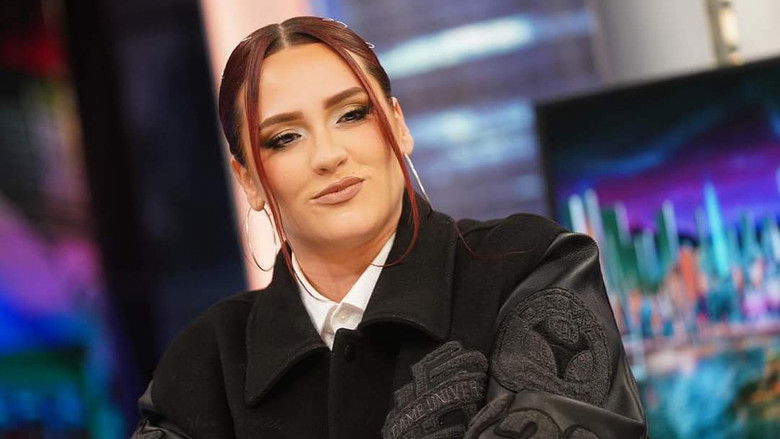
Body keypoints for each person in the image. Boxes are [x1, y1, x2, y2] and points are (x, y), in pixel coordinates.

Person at [132, 16, 647, 439]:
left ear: (398, 125)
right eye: (285, 137)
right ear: (248, 179)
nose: (328, 155)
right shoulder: (203, 365)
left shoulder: (531, 268)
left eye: (352, 114)